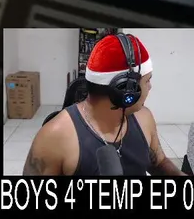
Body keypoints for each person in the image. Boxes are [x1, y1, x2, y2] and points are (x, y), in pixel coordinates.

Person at [22, 33, 184, 176]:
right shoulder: (54, 137)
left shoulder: (144, 118)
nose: (150, 87)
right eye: (147, 80)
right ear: (126, 90)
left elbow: (159, 162)